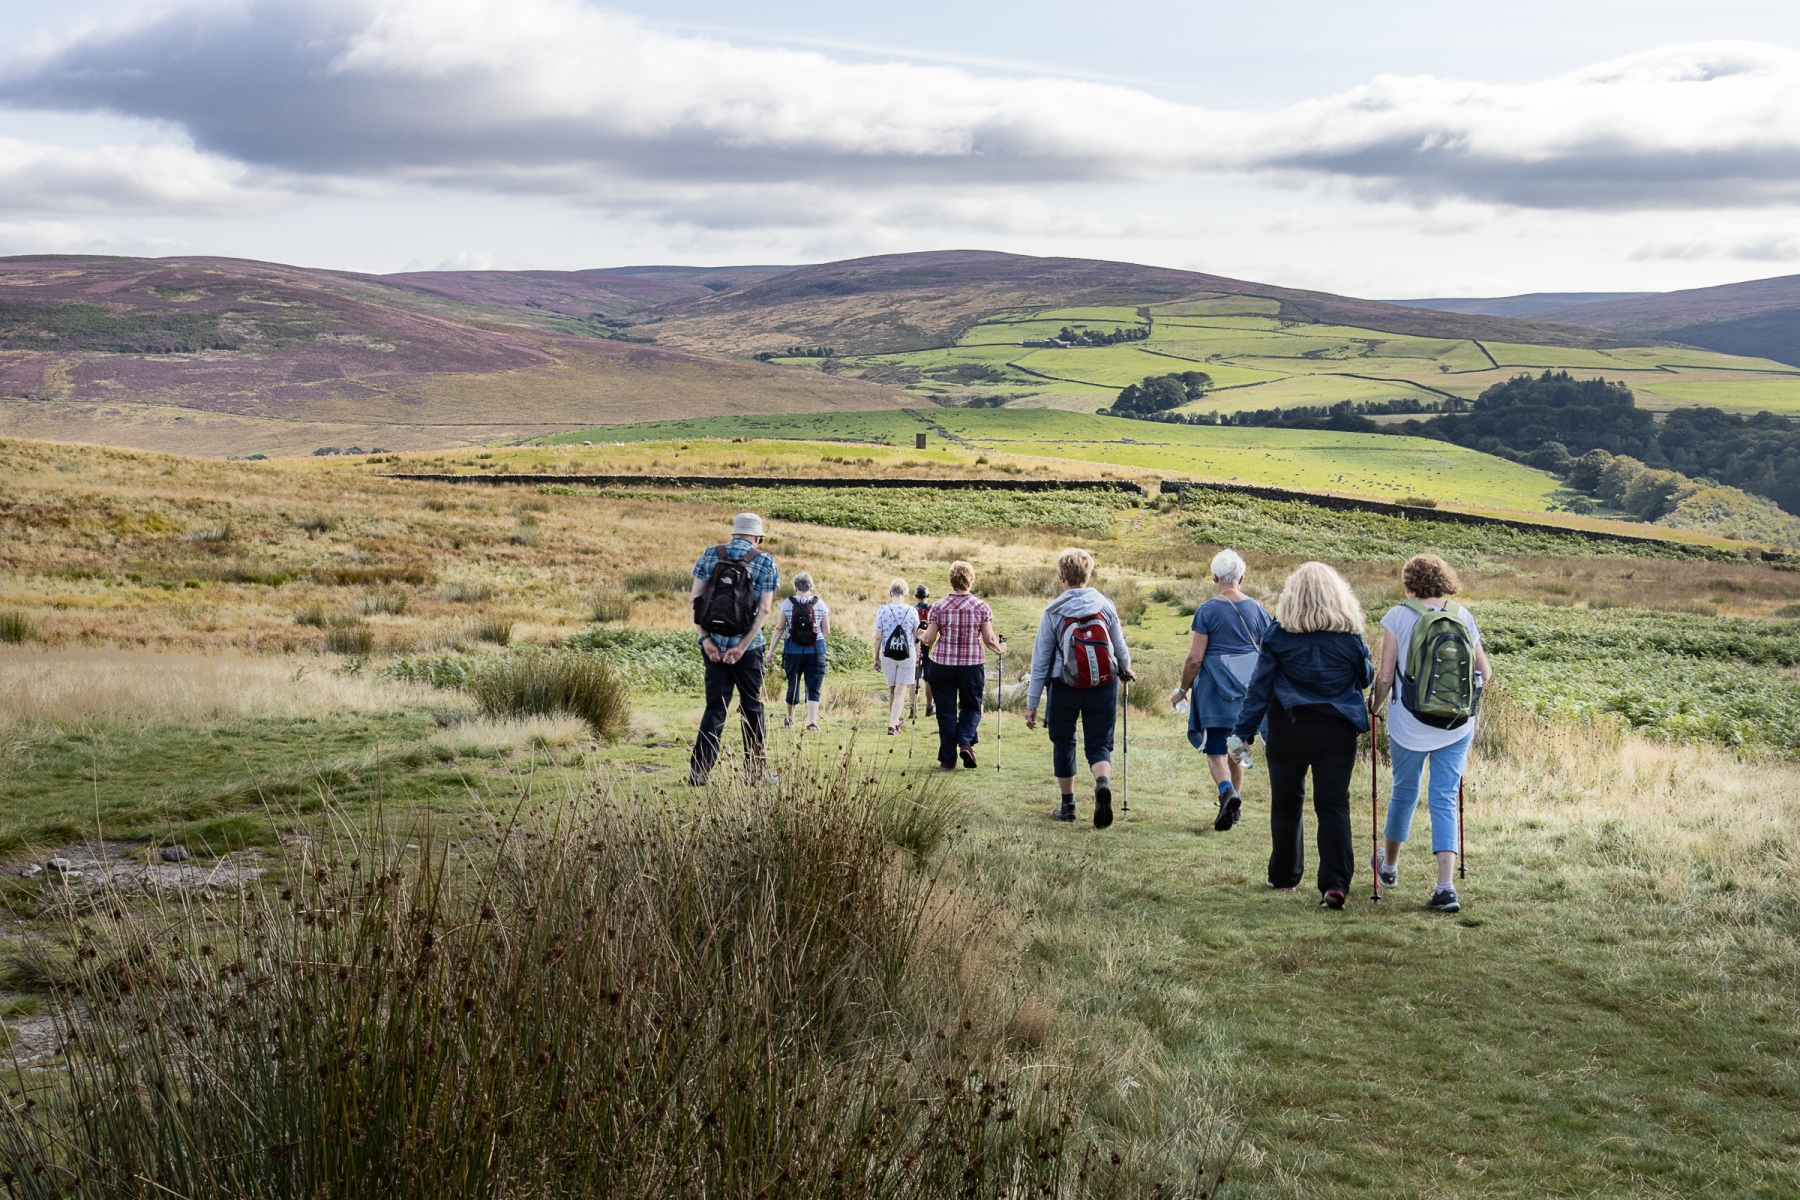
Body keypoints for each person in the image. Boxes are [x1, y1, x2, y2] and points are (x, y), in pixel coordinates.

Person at [1232, 562, 1373, 909]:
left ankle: (1284, 877)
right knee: (1333, 805)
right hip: (1337, 731)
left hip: (1288, 728)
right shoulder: (1350, 637)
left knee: (1286, 803)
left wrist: (1243, 733)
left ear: (1292, 596)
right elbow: (1366, 677)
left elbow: (1259, 688)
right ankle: (1335, 884)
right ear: (1338, 595)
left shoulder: (1278, 634)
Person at [1367, 554, 1495, 915]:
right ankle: (1445, 887)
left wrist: (1373, 707)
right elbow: (1485, 672)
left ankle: (1389, 867)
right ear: (1444, 581)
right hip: (1457, 725)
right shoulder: (1462, 615)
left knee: (1403, 792)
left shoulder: (1397, 616)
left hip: (1409, 724)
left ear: (1409, 583)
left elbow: (1386, 676)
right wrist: (1463, 706)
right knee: (1444, 798)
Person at [1024, 548, 1136, 827]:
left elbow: (1040, 661)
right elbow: (1120, 649)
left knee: (1064, 742)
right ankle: (1101, 783)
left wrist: (1032, 703)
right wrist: (1125, 668)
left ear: (1062, 576)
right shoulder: (1105, 605)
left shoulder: (1053, 611)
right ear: (1089, 574)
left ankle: (1068, 807)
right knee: (1098, 743)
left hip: (1065, 686)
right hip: (1104, 685)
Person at [1171, 548, 1272, 833]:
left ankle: (1227, 792)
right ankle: (1235, 809)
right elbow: (1269, 655)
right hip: (1247, 694)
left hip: (1215, 693)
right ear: (1242, 576)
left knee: (1216, 753)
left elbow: (1194, 658)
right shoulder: (1259, 610)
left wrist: (1182, 689)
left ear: (1214, 577)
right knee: (1237, 749)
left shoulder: (1207, 610)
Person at [687, 512, 780, 786]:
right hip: (749, 649)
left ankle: (699, 772)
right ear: (758, 536)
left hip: (713, 646)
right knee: (752, 706)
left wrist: (706, 640)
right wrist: (742, 646)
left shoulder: (710, 554)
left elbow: (695, 600)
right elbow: (764, 609)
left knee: (716, 706)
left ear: (734, 533)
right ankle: (757, 773)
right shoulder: (764, 560)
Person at [916, 561, 1006, 770]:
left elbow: (929, 639)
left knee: (945, 712)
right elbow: (989, 640)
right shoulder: (981, 607)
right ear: (970, 580)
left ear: (951, 580)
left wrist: (920, 634)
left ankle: (948, 759)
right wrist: (1002, 648)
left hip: (943, 664)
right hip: (971, 664)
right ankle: (965, 741)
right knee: (972, 706)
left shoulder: (938, 606)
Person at [771, 572, 830, 732]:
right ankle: (812, 722)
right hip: (815, 651)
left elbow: (779, 628)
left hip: (792, 651)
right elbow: (826, 630)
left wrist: (770, 652)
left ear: (795, 587)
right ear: (811, 587)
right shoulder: (820, 604)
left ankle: (790, 720)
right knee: (813, 687)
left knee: (793, 684)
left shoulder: (786, 604)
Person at [873, 578, 920, 735]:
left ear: (890, 593)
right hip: (907, 653)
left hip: (888, 652)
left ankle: (894, 721)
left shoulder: (883, 610)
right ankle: (893, 725)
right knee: (901, 691)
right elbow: (916, 636)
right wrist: (918, 654)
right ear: (906, 594)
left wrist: (876, 657)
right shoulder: (912, 611)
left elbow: (878, 636)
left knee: (892, 690)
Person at [911, 583, 934, 718]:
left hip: (915, 647)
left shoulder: (912, 610)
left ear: (915, 596)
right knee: (928, 679)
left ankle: (913, 708)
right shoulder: (932, 609)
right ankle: (929, 706)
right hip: (929, 647)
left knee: (914, 678)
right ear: (928, 596)